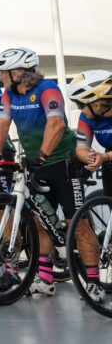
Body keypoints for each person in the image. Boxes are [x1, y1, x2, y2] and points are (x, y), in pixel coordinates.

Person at [0, 47, 98, 296]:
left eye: (3, 72)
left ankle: (94, 282)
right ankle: (46, 279)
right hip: (37, 163)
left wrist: (43, 154)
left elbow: (56, 123)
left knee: (76, 224)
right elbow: (2, 123)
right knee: (39, 223)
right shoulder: (9, 94)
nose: (0, 77)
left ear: (18, 72)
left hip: (63, 162)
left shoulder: (47, 88)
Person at [69, 69, 112, 302]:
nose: (81, 110)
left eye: (83, 104)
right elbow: (82, 147)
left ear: (100, 99)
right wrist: (89, 158)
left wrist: (103, 158)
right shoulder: (89, 116)